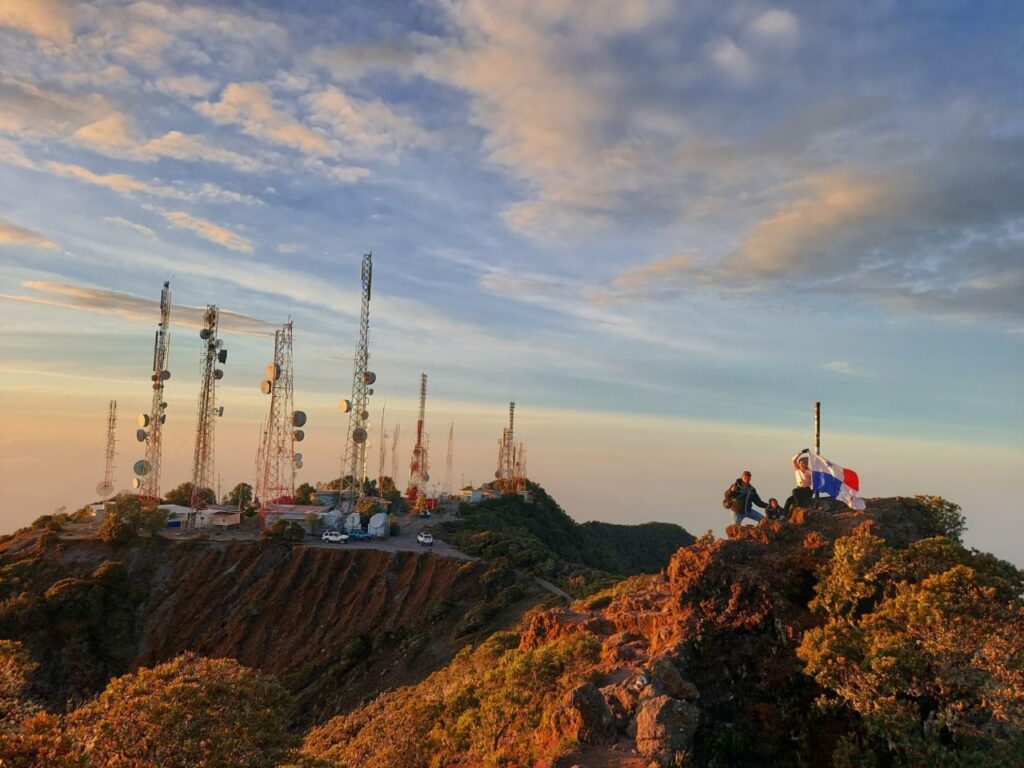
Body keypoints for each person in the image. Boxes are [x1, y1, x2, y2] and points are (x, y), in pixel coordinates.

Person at [784, 449, 814, 515]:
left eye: (804, 463)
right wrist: (801, 453)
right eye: (801, 463)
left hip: (807, 490)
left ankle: (799, 506)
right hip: (799, 490)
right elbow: (793, 460)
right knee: (788, 500)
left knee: (795, 491)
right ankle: (784, 515)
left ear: (806, 464)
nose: (803, 465)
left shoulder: (810, 472)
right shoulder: (798, 469)